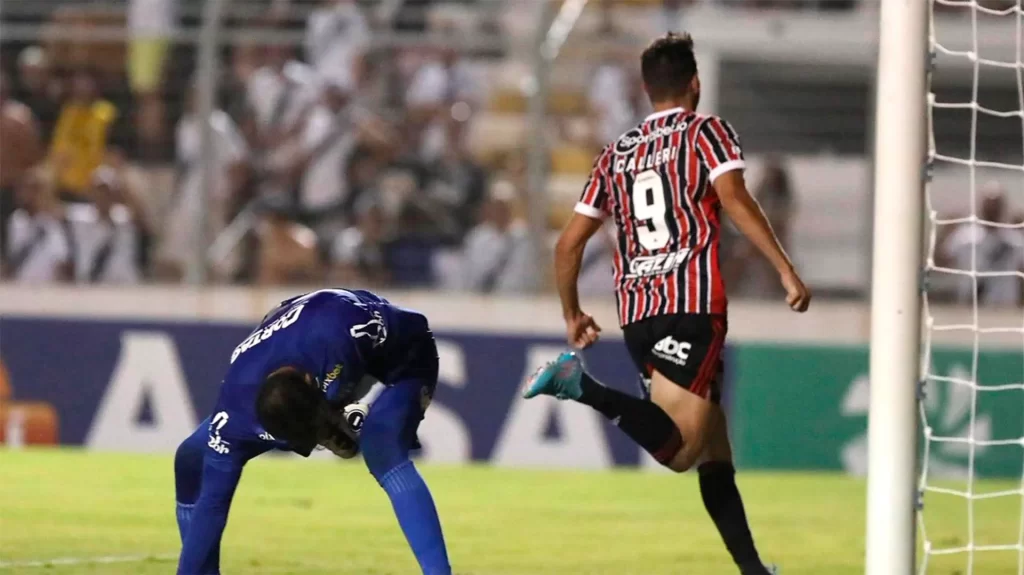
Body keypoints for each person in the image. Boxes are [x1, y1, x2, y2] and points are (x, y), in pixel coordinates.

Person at [522, 33, 810, 575]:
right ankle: (578, 385)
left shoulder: (616, 154)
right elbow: (734, 199)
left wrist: (572, 313)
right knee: (680, 452)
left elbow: (567, 245)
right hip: (690, 306)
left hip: (637, 312)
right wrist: (784, 267)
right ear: (695, 84)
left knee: (714, 444)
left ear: (645, 89)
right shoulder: (708, 133)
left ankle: (752, 568)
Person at [174, 288, 451, 575]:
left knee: (383, 450)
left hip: (403, 357)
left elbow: (417, 324)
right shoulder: (233, 411)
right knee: (190, 457)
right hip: (322, 369)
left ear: (312, 383)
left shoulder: (339, 332)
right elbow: (213, 503)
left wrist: (360, 412)